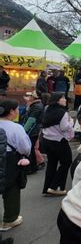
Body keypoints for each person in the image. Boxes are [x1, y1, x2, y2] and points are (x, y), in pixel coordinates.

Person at [0, 99, 31, 231]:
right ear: (12, 111)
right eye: (17, 109)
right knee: (11, 187)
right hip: (9, 159)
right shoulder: (16, 127)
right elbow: (25, 148)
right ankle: (9, 219)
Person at [41, 92, 74, 196]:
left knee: (52, 164)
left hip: (47, 140)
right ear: (57, 100)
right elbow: (64, 127)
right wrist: (71, 122)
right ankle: (55, 186)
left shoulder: (48, 109)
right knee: (66, 162)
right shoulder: (62, 113)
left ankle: (47, 187)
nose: (65, 100)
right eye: (63, 98)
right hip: (59, 140)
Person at [22, 91, 44, 174]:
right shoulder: (35, 105)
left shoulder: (36, 106)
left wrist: (24, 130)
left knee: (31, 149)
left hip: (33, 130)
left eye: (30, 95)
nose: (28, 97)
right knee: (32, 149)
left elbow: (31, 120)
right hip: (34, 130)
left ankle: (31, 168)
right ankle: (33, 167)